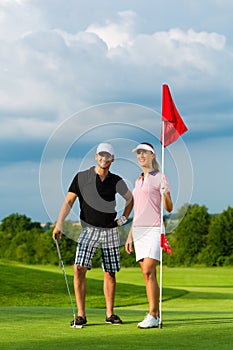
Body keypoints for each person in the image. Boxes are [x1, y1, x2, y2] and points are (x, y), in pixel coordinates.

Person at [53, 143, 133, 327]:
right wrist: (59, 224)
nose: (104, 159)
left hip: (111, 231)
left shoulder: (116, 180)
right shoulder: (81, 177)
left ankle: (110, 314)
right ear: (96, 156)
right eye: (101, 155)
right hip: (88, 230)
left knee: (109, 272)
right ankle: (81, 315)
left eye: (108, 156)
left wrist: (124, 218)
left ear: (112, 159)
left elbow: (130, 199)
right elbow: (69, 202)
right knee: (79, 268)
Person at [125, 142, 173, 329]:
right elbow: (137, 210)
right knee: (147, 275)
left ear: (153, 155)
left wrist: (165, 194)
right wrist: (129, 235)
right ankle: (155, 313)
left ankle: (153, 314)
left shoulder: (160, 177)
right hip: (138, 230)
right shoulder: (138, 180)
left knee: (148, 270)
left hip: (154, 228)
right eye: (138, 153)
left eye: (144, 152)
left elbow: (168, 207)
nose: (141, 155)